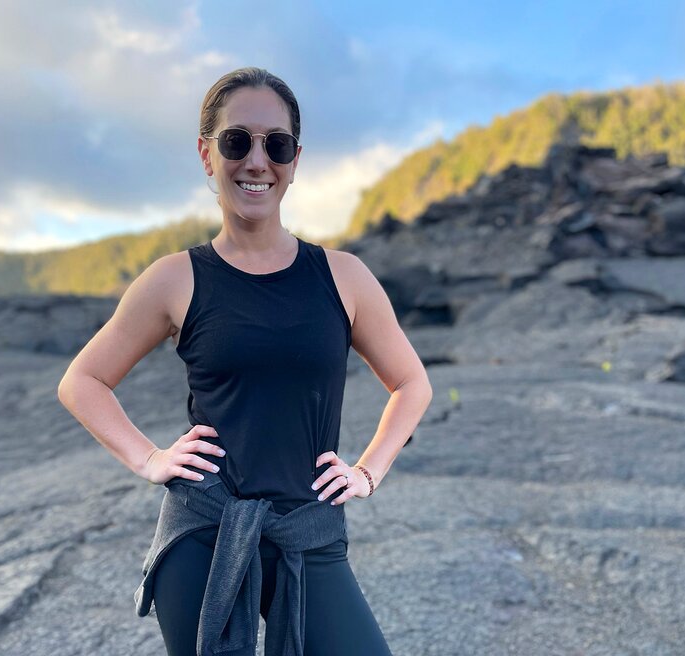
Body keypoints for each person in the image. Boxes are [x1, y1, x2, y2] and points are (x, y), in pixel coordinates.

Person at [57, 66, 433, 656]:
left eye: (275, 145)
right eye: (237, 141)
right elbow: (83, 380)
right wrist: (151, 457)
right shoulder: (175, 279)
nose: (257, 161)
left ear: (295, 159)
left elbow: (411, 383)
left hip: (307, 532)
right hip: (203, 529)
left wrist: (368, 470)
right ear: (208, 155)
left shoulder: (344, 277)